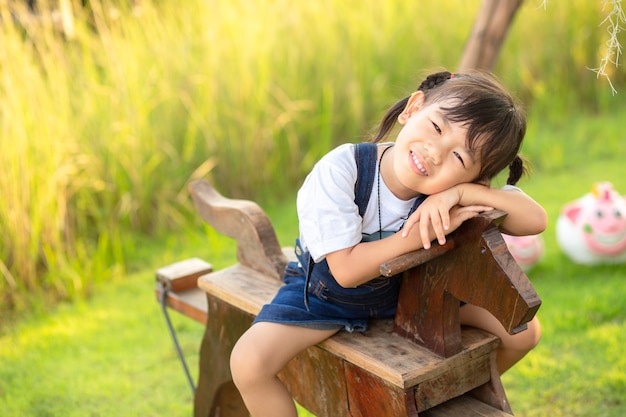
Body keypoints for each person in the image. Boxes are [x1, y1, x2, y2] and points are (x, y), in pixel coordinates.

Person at [229, 70, 547, 417]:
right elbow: (346, 271)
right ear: (413, 108)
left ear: (478, 178)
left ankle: (446, 397)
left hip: (410, 296)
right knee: (248, 362)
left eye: (460, 158)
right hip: (325, 298)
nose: (436, 152)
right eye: (438, 128)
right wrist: (416, 232)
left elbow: (536, 220)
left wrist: (459, 193)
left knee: (524, 332)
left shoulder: (451, 192)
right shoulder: (342, 170)